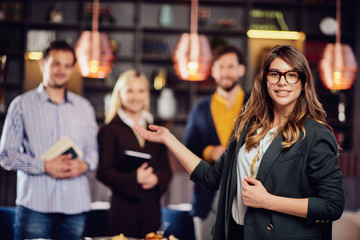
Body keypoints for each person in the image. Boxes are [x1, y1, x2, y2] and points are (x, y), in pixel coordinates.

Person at [134, 45, 345, 240]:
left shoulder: (316, 134)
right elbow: (211, 178)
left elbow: (332, 205)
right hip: (236, 234)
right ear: (265, 80)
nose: (282, 81)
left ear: (303, 82)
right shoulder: (248, 125)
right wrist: (168, 138)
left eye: (291, 75)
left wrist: (267, 201)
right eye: (275, 74)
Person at [0, 40, 98, 240]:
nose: (61, 70)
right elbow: (6, 155)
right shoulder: (21, 105)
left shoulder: (84, 107)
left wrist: (84, 165)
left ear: (72, 68)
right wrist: (43, 165)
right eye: (56, 63)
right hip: (35, 205)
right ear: (43, 64)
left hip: (75, 205)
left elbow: (93, 153)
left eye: (67, 65)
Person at [96, 69, 172, 238]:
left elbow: (166, 169)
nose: (135, 96)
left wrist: (156, 179)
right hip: (123, 210)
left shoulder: (156, 127)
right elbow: (103, 172)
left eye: (141, 90)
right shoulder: (109, 129)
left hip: (151, 209)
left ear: (147, 94)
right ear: (119, 93)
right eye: (130, 90)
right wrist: (134, 179)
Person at [183, 45, 247, 240]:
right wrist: (209, 152)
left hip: (246, 195)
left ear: (241, 69)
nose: (225, 72)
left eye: (230, 66)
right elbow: (188, 148)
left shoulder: (257, 105)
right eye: (220, 67)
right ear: (212, 70)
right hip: (207, 195)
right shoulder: (200, 109)